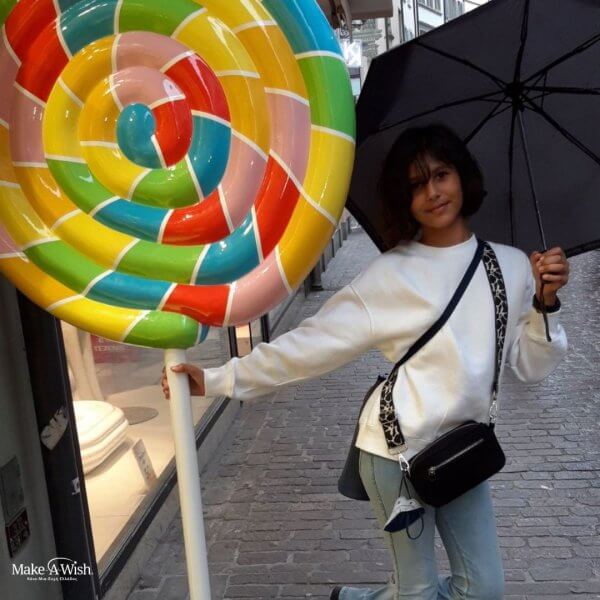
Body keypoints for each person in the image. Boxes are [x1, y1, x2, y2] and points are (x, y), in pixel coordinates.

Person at [161, 124, 569, 600]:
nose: (433, 192)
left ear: (463, 177)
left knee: (484, 589)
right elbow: (310, 346)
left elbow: (530, 367)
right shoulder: (390, 275)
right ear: (404, 198)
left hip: (461, 450)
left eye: (441, 175)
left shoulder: (511, 266)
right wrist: (218, 378)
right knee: (416, 592)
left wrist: (545, 304)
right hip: (395, 453)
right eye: (416, 185)